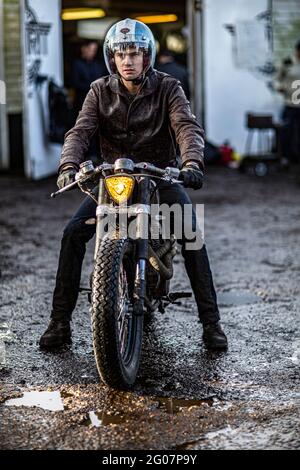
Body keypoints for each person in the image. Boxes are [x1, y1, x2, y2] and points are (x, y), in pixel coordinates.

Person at [39, 19, 228, 351]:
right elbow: (80, 131)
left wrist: (192, 163)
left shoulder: (169, 87)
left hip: (160, 175)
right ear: (112, 58)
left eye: (136, 53)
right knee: (73, 233)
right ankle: (59, 322)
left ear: (148, 56)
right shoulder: (99, 90)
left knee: (191, 235)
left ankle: (211, 324)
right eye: (121, 53)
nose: (128, 60)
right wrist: (68, 166)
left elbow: (186, 126)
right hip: (115, 180)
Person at [274, 40, 300, 166]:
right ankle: (285, 157)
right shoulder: (288, 62)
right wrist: (280, 87)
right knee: (286, 131)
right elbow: (276, 79)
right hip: (290, 103)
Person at [72, 39, 107, 116]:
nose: (93, 53)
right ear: (84, 48)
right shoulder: (77, 63)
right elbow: (75, 83)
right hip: (81, 102)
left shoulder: (97, 64)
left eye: (94, 50)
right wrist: (94, 86)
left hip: (96, 102)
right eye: (91, 50)